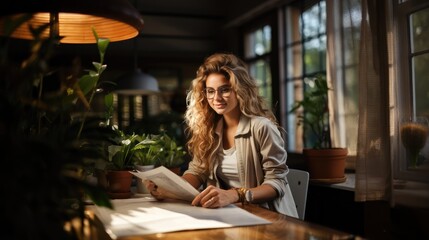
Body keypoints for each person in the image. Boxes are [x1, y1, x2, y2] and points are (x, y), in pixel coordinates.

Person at [146, 53, 298, 218]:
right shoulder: (208, 129)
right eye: (210, 91)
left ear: (239, 90)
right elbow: (198, 172)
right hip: (231, 214)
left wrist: (235, 195)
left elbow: (277, 183)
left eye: (224, 90)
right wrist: (169, 188)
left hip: (268, 216)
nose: (216, 98)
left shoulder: (261, 127)